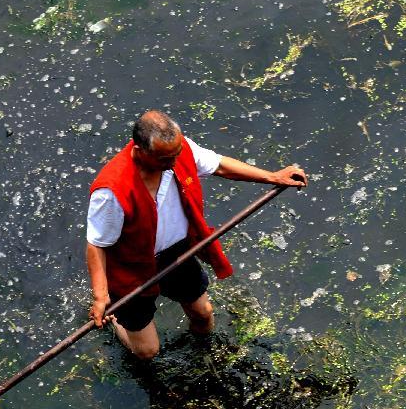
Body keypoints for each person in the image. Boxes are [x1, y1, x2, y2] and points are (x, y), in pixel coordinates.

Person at [86, 110, 307, 360]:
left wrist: (272, 176)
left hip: (175, 253)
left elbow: (221, 166)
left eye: (175, 155)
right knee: (147, 352)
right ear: (139, 150)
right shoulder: (111, 191)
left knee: (203, 314)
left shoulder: (179, 151)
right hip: (132, 267)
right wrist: (101, 295)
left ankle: (203, 357)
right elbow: (96, 244)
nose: (172, 163)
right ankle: (119, 320)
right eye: (164, 159)